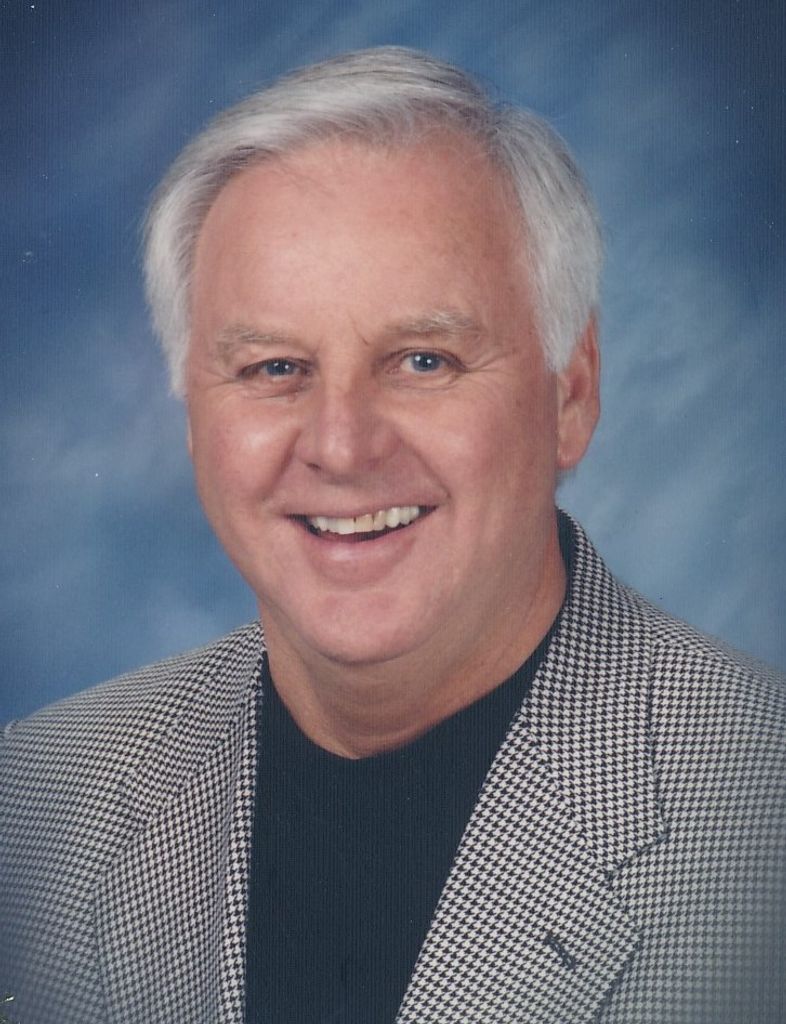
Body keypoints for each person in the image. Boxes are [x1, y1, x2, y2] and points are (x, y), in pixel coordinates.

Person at [1, 47, 784, 1024]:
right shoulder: (35, 798)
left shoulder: (761, 808)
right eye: (274, 368)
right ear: (192, 413)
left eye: (423, 360)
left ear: (571, 393)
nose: (341, 445)